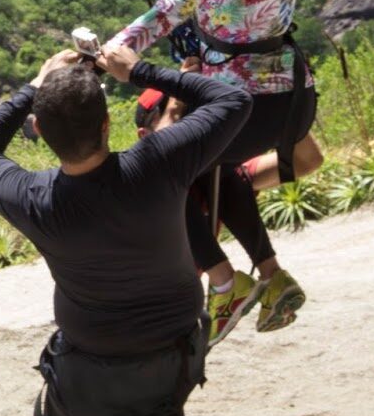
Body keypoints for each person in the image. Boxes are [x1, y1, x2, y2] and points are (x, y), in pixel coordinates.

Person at [0, 45, 252, 416]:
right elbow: (235, 100)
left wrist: (35, 86)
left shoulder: (30, 199)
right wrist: (139, 70)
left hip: (88, 364)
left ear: (38, 130)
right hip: (171, 351)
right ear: (107, 124)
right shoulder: (157, 163)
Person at [108, 0, 322, 343]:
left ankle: (225, 283)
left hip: (237, 106)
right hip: (294, 96)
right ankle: (271, 275)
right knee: (212, 166)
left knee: (160, 167)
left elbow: (168, 9)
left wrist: (120, 52)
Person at [134, 70, 321, 336]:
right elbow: (164, 158)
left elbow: (306, 161)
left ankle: (258, 279)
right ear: (144, 136)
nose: (188, 125)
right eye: (174, 115)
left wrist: (284, 112)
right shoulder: (140, 187)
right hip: (148, 311)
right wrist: (177, 104)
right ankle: (229, 283)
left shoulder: (222, 179)